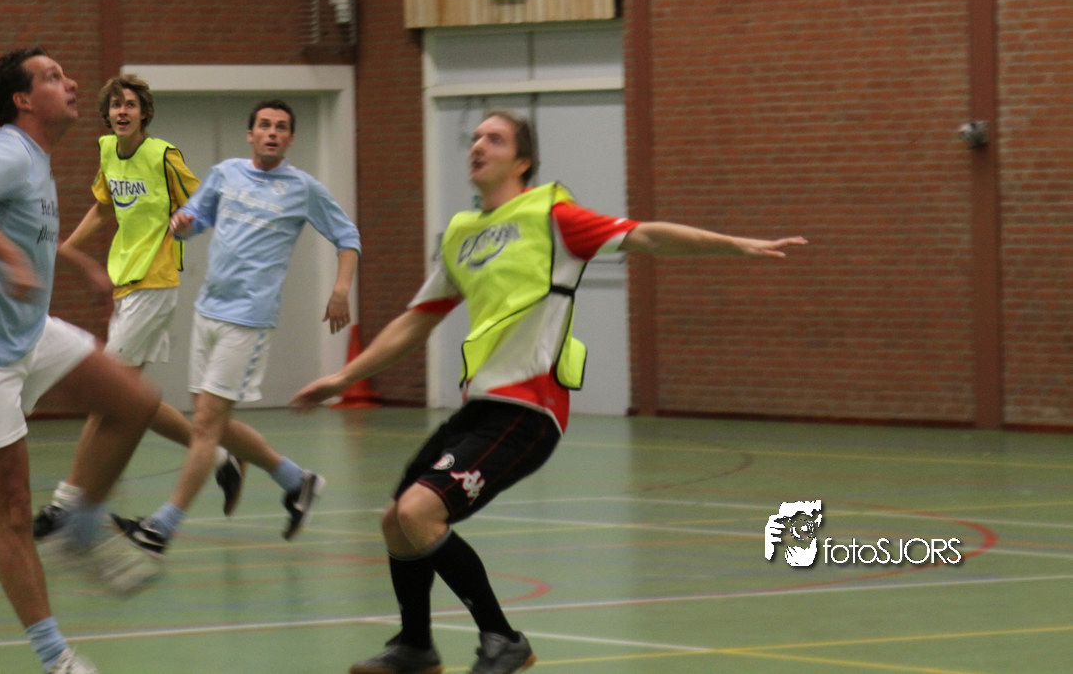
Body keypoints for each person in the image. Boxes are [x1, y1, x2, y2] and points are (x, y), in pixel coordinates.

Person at [293, 110, 806, 674]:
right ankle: (416, 646)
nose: (478, 145)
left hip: (528, 410)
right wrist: (344, 378)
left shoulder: (553, 218)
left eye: (495, 139)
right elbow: (418, 320)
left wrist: (732, 244)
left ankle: (502, 640)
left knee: (419, 511)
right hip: (480, 407)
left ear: (523, 161)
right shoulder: (463, 233)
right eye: (475, 137)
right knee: (396, 520)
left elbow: (648, 236)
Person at [0, 46, 166, 674]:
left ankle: (78, 527)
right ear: (23, 100)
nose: (72, 82)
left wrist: (71, 263)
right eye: (53, 77)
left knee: (133, 402)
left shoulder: (35, 161)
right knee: (12, 509)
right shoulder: (7, 151)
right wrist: (10, 257)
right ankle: (56, 658)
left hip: (25, 333)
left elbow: (25, 232)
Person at [34, 77, 288, 537]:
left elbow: (205, 201)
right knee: (130, 398)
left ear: (144, 113)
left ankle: (66, 502)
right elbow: (104, 206)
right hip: (125, 283)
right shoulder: (108, 151)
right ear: (107, 114)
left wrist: (196, 224)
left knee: (106, 395)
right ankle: (218, 455)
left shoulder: (163, 156)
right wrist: (66, 248)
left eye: (131, 104)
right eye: (116, 105)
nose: (122, 111)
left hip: (155, 282)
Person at [115, 98, 361, 557]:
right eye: (264, 125)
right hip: (208, 310)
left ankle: (162, 526)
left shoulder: (303, 188)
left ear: (290, 139)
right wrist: (182, 223)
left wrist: (341, 289)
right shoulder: (225, 173)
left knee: (207, 425)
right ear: (251, 134)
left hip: (248, 320)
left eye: (281, 127)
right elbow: (194, 220)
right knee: (210, 420)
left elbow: (347, 238)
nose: (272, 132)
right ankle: (297, 480)